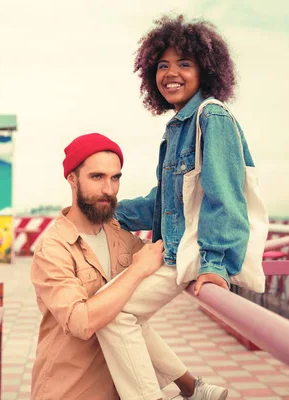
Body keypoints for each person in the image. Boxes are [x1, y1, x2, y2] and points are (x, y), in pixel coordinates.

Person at [95, 14, 254, 400]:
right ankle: (195, 390)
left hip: (195, 254)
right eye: (163, 65)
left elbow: (225, 196)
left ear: (206, 70)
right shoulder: (180, 126)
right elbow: (165, 200)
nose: (172, 73)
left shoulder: (211, 118)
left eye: (184, 63)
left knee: (112, 315)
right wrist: (108, 210)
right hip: (174, 249)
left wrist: (215, 266)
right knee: (113, 309)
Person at [30, 133, 223, 400]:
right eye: (97, 177)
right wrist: (137, 270)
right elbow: (82, 322)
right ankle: (191, 387)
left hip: (120, 388)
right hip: (71, 390)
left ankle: (192, 387)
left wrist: (213, 263)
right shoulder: (53, 249)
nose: (109, 189)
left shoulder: (118, 235)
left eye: (115, 178)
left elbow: (168, 258)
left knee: (128, 314)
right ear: (72, 179)